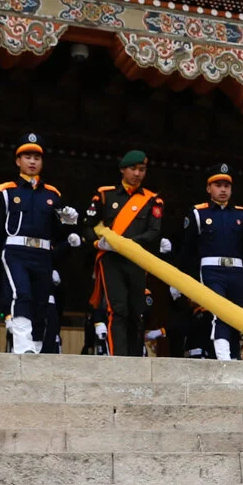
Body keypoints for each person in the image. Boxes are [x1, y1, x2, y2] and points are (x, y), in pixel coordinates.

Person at [0, 134, 80, 355]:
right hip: (15, 251)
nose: (32, 162)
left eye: (36, 158)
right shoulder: (6, 191)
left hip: (42, 253)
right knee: (21, 294)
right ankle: (23, 345)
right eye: (27, 157)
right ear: (18, 161)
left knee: (41, 301)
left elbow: (56, 232)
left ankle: (36, 346)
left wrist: (68, 222)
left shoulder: (52, 194)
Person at [174, 163, 243, 360]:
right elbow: (187, 249)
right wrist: (177, 278)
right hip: (211, 269)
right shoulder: (199, 213)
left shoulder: (242, 214)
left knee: (237, 314)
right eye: (218, 185)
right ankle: (223, 356)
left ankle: (234, 356)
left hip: (236, 271)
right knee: (220, 310)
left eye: (226, 186)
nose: (223, 190)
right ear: (209, 188)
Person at [85, 150, 165, 357]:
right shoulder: (106, 195)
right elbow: (88, 225)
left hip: (136, 259)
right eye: (133, 169)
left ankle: (134, 357)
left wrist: (127, 245)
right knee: (117, 309)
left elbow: (153, 232)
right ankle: (118, 358)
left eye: (142, 170)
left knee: (136, 310)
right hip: (111, 259)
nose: (137, 174)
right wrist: (99, 243)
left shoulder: (152, 200)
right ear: (122, 170)